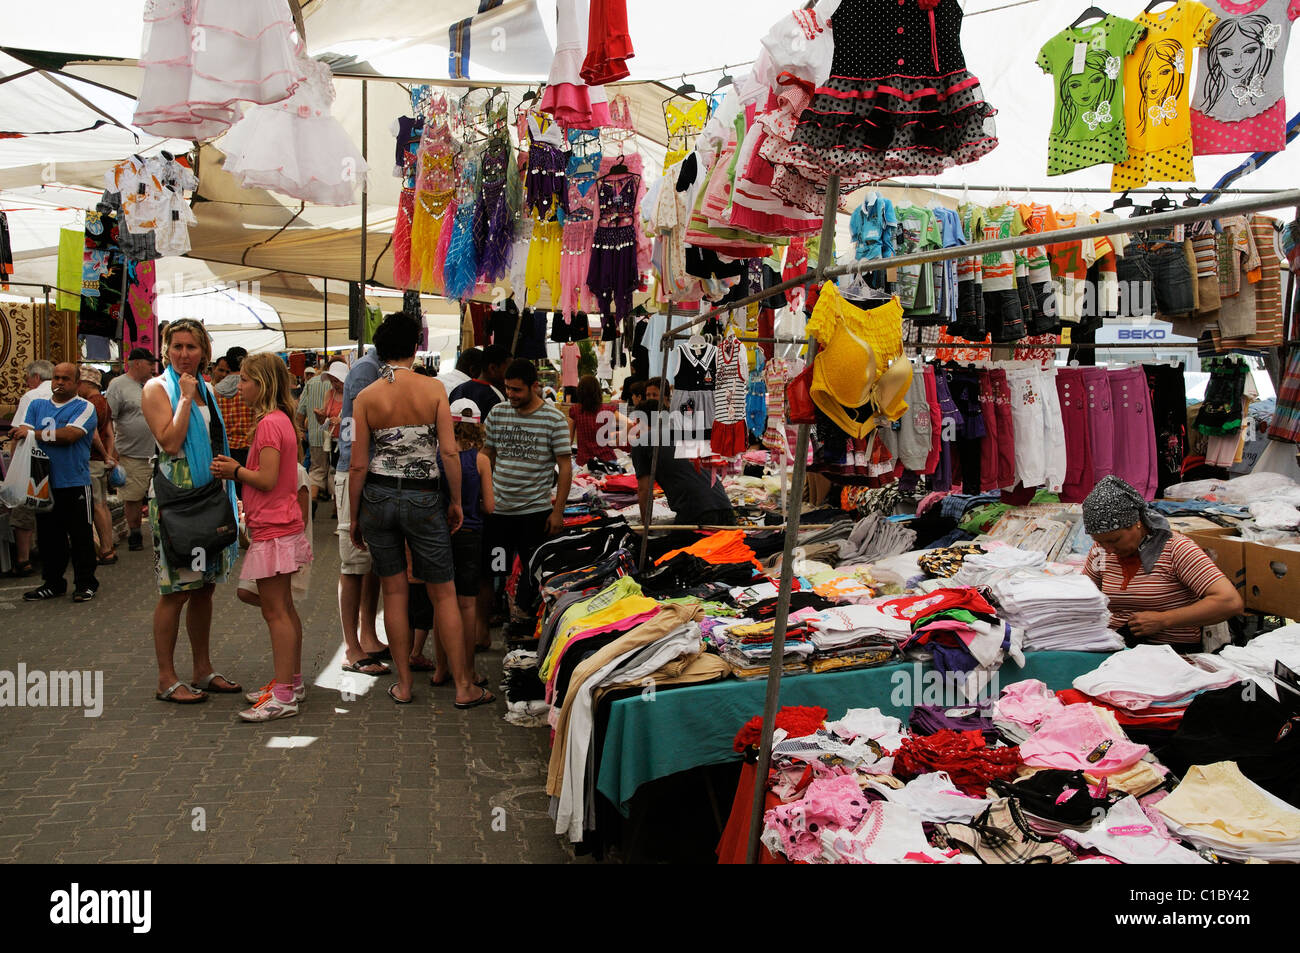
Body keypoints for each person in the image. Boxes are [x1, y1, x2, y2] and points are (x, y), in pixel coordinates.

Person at [348, 312, 491, 708]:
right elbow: (448, 451)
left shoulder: (366, 397)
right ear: (415, 347)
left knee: (393, 591)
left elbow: (358, 464)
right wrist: (458, 501)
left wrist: (353, 515)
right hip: (424, 497)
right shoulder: (432, 392)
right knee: (443, 592)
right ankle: (464, 687)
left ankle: (405, 685)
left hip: (377, 496)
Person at [142, 319, 243, 704]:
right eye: (177, 347)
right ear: (166, 349)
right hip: (178, 501)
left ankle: (202, 669)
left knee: (204, 588)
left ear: (204, 352)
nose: (184, 355)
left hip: (210, 495)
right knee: (176, 591)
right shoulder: (158, 389)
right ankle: (166, 677)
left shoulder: (208, 390)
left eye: (191, 347)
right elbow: (169, 442)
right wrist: (183, 398)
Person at [211, 354, 312, 722]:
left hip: (274, 526)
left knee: (276, 611)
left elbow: (267, 479)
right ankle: (291, 683)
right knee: (282, 608)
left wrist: (234, 470)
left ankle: (284, 694)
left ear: (263, 384)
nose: (240, 387)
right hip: (279, 525)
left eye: (245, 381)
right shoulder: (279, 420)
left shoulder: (270, 423)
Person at [1082, 475, 1243, 652]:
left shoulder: (1177, 549)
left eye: (1115, 540)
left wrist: (1164, 620)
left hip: (1173, 653)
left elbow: (1229, 601)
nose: (1108, 549)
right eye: (1100, 541)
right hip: (1116, 649)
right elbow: (1084, 597)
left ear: (1136, 523)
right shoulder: (1100, 551)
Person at [483, 358, 573, 619]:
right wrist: (482, 494)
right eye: (507, 388)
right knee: (495, 568)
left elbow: (565, 467)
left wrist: (558, 511)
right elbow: (486, 455)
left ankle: (527, 618)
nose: (510, 394)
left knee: (533, 571)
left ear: (534, 386)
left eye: (516, 389)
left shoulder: (554, 419)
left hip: (534, 514)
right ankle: (494, 614)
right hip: (498, 513)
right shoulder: (498, 412)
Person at [8, 362, 100, 602]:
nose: (59, 382)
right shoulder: (37, 405)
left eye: (65, 379)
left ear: (77, 383)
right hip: (43, 483)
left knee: (80, 536)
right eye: (56, 378)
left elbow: (70, 435)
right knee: (49, 538)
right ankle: (53, 583)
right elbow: (23, 432)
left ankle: (85, 583)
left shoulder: (85, 407)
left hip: (74, 482)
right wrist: (26, 434)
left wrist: (34, 434)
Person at [431, 397, 495, 689]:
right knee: (466, 605)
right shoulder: (481, 460)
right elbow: (491, 506)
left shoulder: (438, 455)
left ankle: (441, 667)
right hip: (470, 534)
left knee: (441, 603)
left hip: (441, 534)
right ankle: (467, 671)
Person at [335, 347, 390, 676]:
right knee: (354, 563)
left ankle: (367, 636)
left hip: (368, 473)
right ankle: (352, 647)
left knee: (370, 563)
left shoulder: (379, 368)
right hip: (357, 473)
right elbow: (353, 432)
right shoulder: (365, 371)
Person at [630, 399, 736, 529]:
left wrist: (646, 529)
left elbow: (644, 490)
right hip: (726, 509)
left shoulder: (641, 443)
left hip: (697, 515)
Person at [106, 348, 157, 551]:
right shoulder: (118, 386)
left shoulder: (153, 384)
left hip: (156, 452)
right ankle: (135, 532)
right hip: (131, 453)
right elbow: (108, 419)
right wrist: (111, 451)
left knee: (159, 496)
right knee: (133, 496)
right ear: (137, 363)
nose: (152, 367)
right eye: (149, 363)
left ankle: (160, 533)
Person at [7, 360, 55, 576]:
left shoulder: (31, 396)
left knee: (25, 508)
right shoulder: (63, 395)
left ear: (36, 377)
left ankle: (23, 560)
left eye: (28, 379)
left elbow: (18, 432)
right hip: (58, 457)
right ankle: (51, 555)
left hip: (32, 461)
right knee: (52, 509)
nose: (27, 383)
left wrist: (12, 464)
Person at [77, 366, 118, 565]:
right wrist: (108, 456)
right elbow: (110, 433)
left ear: (86, 384)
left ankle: (104, 548)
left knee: (96, 505)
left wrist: (103, 454)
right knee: (102, 504)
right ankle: (108, 546)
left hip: (92, 459)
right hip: (100, 461)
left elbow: (93, 435)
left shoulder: (89, 404)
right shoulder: (104, 403)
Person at [213, 348, 254, 490]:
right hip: (250, 448)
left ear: (228, 364)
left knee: (232, 493)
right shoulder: (251, 387)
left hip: (227, 450)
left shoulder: (216, 390)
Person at [567, 374, 621, 472]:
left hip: (585, 464)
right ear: (597, 391)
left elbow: (568, 440)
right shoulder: (608, 410)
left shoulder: (574, 411)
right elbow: (629, 424)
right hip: (608, 461)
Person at [449, 343, 508, 416]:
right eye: (508, 370)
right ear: (492, 368)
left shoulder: (458, 389)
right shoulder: (495, 397)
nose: (510, 375)